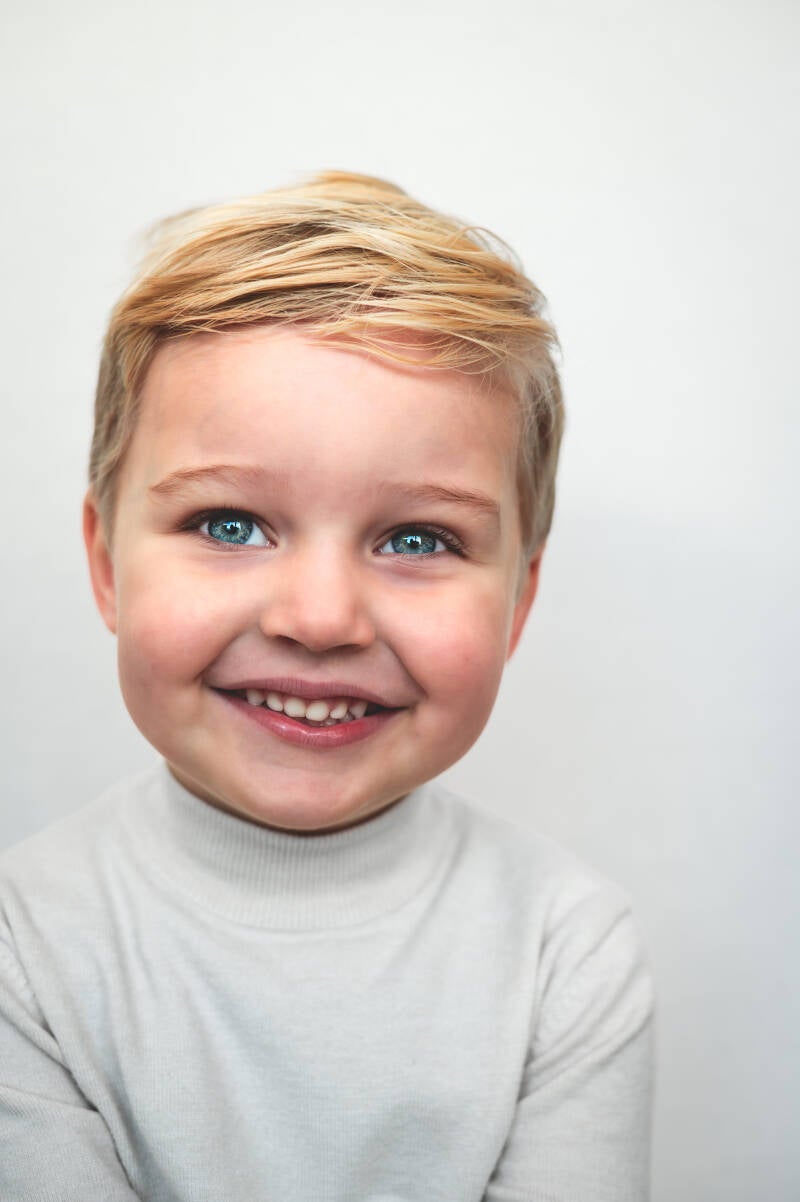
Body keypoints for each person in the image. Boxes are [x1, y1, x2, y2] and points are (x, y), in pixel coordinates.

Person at [0, 172, 654, 1200]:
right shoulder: (23, 944)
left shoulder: (565, 951)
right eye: (228, 524)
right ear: (107, 564)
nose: (319, 617)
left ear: (518, 600)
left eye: (416, 539)